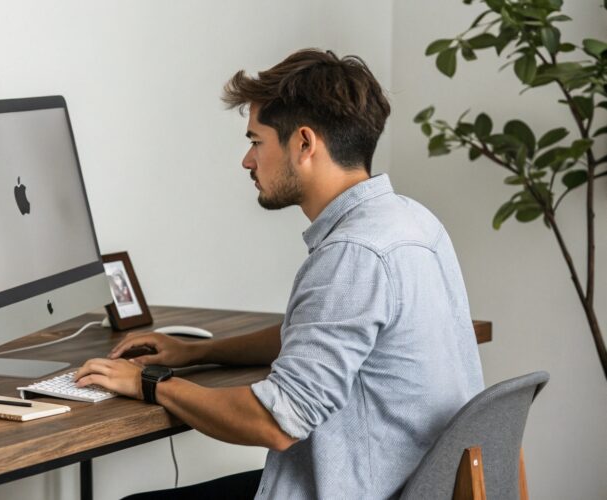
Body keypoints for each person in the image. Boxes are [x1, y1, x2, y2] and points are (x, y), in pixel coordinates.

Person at [74, 48, 484, 499]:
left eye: (255, 141)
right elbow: (318, 335)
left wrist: (150, 383)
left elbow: (276, 421)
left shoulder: (353, 253)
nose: (247, 162)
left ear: (304, 143)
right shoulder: (412, 222)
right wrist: (192, 353)